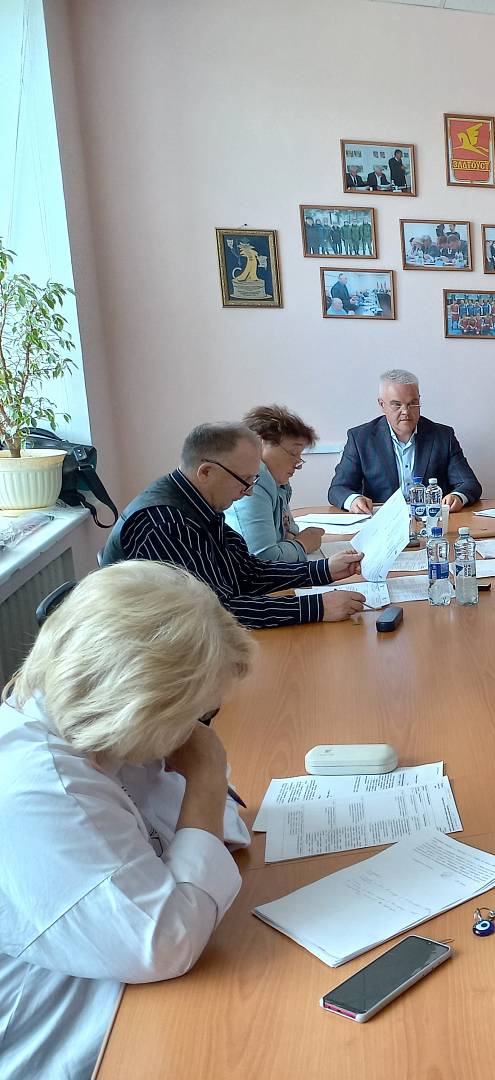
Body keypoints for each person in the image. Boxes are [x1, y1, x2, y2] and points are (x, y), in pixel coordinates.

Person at [0, 562, 265, 1080]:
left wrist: (205, 797)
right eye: (198, 717)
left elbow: (222, 828)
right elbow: (165, 941)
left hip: (132, 994)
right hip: (78, 1041)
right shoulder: (41, 791)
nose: (200, 733)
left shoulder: (95, 731)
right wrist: (206, 775)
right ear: (139, 704)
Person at [100, 422, 364, 628]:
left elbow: (245, 572)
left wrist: (323, 570)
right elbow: (212, 613)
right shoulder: (163, 522)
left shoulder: (199, 503)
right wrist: (317, 608)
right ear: (206, 472)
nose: (249, 491)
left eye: (253, 480)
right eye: (244, 480)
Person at [328, 368, 483, 514]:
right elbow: (338, 489)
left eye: (412, 403)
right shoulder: (361, 438)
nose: (405, 412)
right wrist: (354, 500)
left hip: (431, 520)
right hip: (384, 521)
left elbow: (469, 484)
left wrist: (457, 496)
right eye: (397, 404)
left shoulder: (442, 436)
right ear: (382, 404)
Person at [224, 405, 324, 562]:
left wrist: (291, 541)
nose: (298, 464)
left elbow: (290, 530)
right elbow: (262, 558)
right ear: (258, 443)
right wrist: (303, 544)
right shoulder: (252, 484)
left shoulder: (278, 483)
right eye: (293, 453)